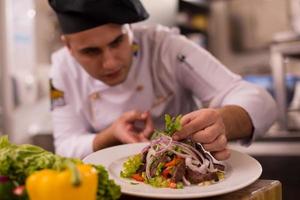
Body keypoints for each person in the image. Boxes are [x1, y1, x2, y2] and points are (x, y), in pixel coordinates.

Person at [48, 0, 277, 160]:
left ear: (130, 29)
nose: (110, 63)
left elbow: (261, 101)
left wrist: (222, 122)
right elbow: (65, 147)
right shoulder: (62, 69)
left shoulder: (165, 47)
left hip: (184, 184)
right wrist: (109, 136)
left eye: (117, 42)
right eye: (91, 52)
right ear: (68, 46)